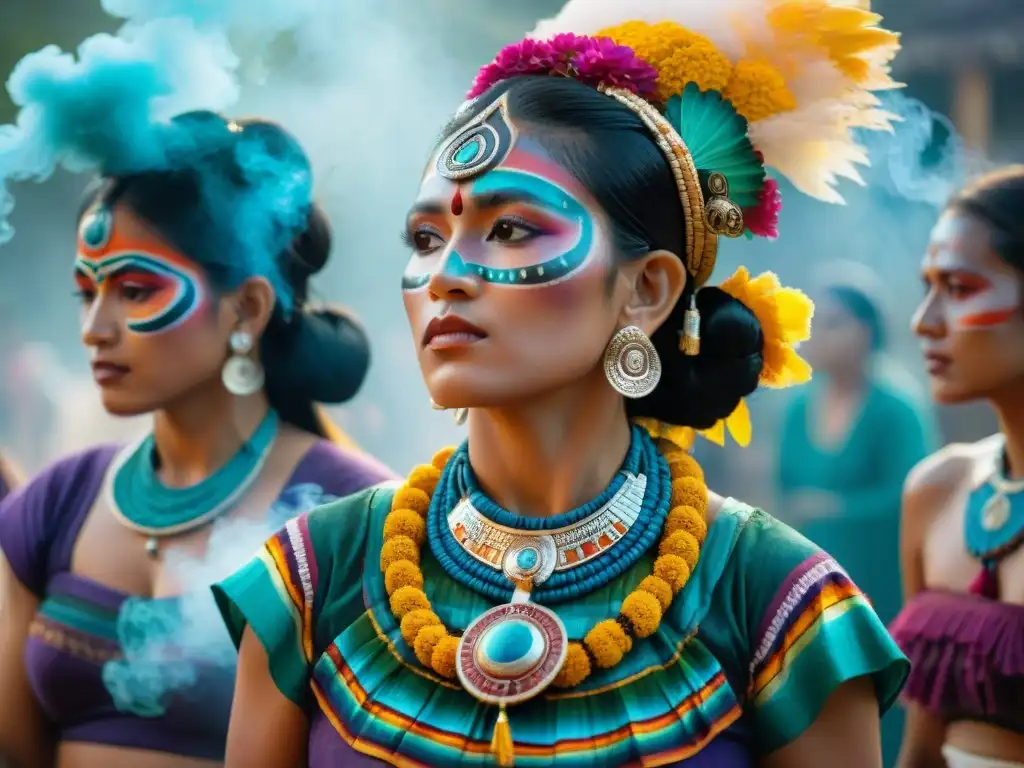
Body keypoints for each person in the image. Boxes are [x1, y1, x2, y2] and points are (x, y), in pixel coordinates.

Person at [215, 3, 909, 766]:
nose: (443, 275)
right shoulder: (316, 575)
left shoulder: (772, 597)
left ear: (645, 290)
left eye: (511, 229)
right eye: (425, 238)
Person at [0, 108, 395, 768]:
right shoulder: (54, 503)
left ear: (247, 309)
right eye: (86, 293)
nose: (96, 328)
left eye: (134, 290)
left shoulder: (355, 521)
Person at [892, 166, 1024, 768]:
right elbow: (922, 744)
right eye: (928, 286)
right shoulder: (936, 490)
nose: (924, 321)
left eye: (960, 288)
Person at [776, 269, 935, 767]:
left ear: (867, 331)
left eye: (834, 324)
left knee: (876, 695)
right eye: (816, 324)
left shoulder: (896, 408)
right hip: (809, 590)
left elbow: (913, 495)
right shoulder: (799, 405)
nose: (818, 336)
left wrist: (837, 510)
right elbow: (785, 487)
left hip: (880, 584)